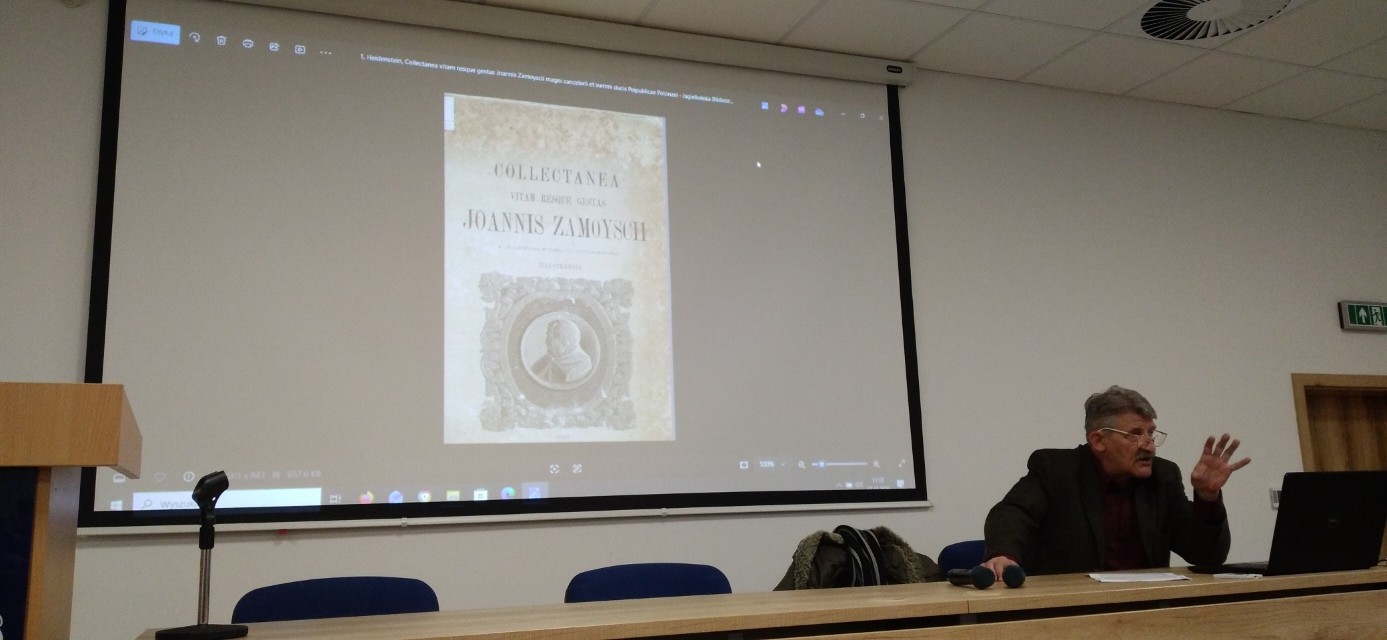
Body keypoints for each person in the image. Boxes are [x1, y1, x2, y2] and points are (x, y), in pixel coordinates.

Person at [981, 385, 1250, 579]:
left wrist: (1207, 499)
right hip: (1073, 610)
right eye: (1135, 434)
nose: (1149, 445)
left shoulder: (1163, 477)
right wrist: (1005, 555)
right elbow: (1012, 513)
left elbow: (1208, 556)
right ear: (1099, 440)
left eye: (1151, 433)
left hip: (1147, 610)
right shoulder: (1056, 470)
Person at [529, 317, 593, 385]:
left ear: (565, 342)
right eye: (547, 338)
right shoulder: (549, 358)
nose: (546, 343)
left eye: (549, 340)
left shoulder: (583, 365)